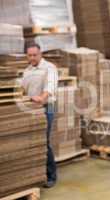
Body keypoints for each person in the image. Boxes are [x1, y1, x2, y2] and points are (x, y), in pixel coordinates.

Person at [21, 43, 58, 188]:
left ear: (40, 53)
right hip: (32, 106)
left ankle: (51, 176)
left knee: (44, 140)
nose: (32, 58)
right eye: (29, 55)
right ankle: (35, 174)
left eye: (34, 55)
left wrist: (42, 97)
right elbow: (24, 89)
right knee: (32, 140)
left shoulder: (50, 67)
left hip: (49, 105)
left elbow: (51, 86)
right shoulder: (27, 71)